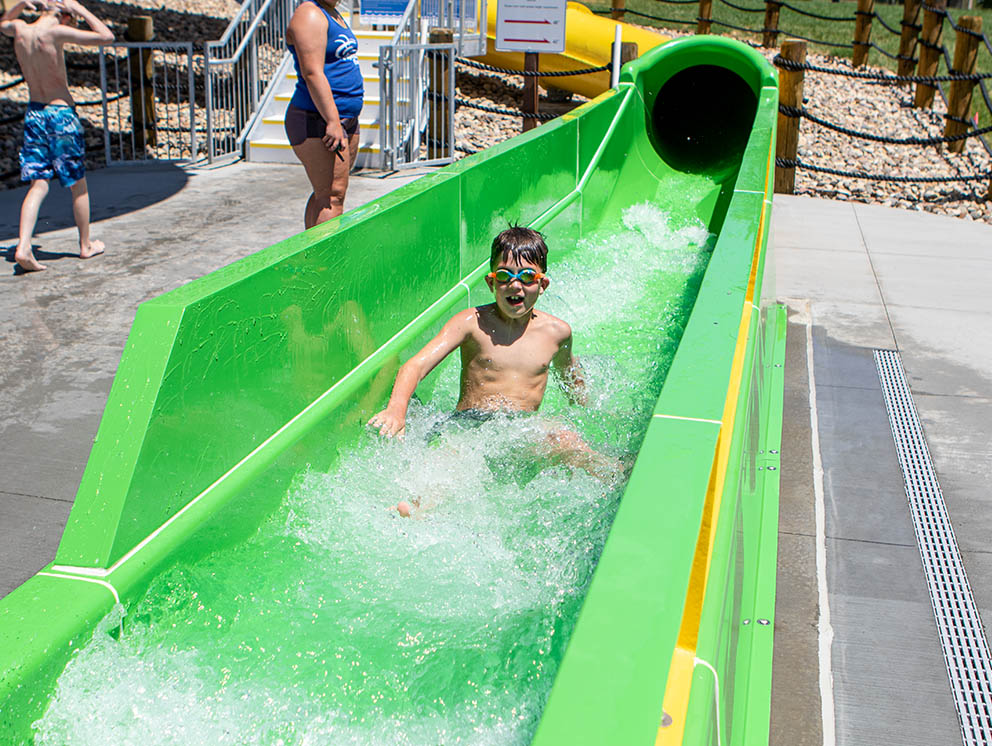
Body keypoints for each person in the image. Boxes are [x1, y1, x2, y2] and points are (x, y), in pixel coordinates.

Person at [368, 227, 619, 515]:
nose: (515, 286)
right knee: (454, 458)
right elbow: (416, 365)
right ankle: (419, 507)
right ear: (491, 282)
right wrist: (396, 411)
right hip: (470, 426)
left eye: (527, 277)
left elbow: (571, 381)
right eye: (504, 276)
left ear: (543, 284)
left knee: (564, 439)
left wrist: (591, 410)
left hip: (521, 430)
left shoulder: (557, 333)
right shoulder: (470, 323)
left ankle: (616, 473)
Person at [2, 0, 113, 273]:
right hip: (61, 116)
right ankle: (86, 245)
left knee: (38, 184)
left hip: (35, 114)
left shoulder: (21, 30)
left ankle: (24, 245)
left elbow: (2, 23)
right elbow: (106, 37)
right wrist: (81, 9)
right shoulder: (55, 33)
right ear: (65, 16)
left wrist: (20, 4)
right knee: (77, 184)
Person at [285, 0, 363, 229]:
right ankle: (325, 264)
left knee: (327, 193)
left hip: (343, 118)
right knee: (331, 197)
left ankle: (312, 256)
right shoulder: (309, 13)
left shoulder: (332, 13)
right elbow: (312, 72)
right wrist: (332, 120)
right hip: (317, 118)